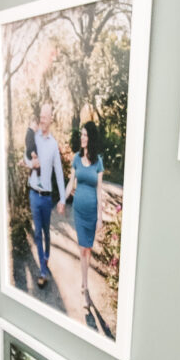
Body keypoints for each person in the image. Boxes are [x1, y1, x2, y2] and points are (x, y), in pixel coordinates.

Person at [62, 121, 104, 307]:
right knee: (82, 249)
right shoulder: (77, 159)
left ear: (91, 138)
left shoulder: (98, 162)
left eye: (86, 135)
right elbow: (71, 183)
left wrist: (100, 217)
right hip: (79, 211)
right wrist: (63, 200)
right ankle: (85, 287)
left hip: (92, 213)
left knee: (88, 249)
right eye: (82, 135)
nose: (83, 138)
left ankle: (84, 283)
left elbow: (99, 190)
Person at [24, 104, 67, 288]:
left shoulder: (53, 144)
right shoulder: (33, 138)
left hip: (47, 196)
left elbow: (58, 172)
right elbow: (25, 157)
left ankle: (46, 256)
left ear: (51, 119)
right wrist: (31, 164)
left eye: (45, 117)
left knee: (46, 232)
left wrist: (63, 199)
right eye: (40, 116)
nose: (42, 119)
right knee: (37, 232)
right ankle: (43, 270)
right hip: (34, 193)